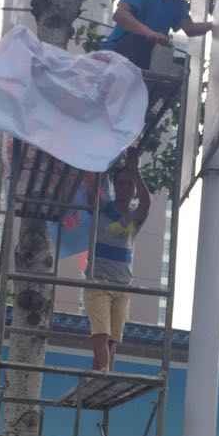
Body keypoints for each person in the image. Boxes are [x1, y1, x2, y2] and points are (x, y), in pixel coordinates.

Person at [83, 148, 151, 371]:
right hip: (98, 282)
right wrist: (106, 165)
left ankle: (101, 375)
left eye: (130, 185)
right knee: (101, 337)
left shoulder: (133, 217)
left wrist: (134, 170)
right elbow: (91, 194)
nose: (125, 188)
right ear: (114, 186)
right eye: (121, 183)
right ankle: (100, 377)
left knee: (111, 341)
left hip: (122, 285)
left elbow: (146, 203)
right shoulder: (103, 208)